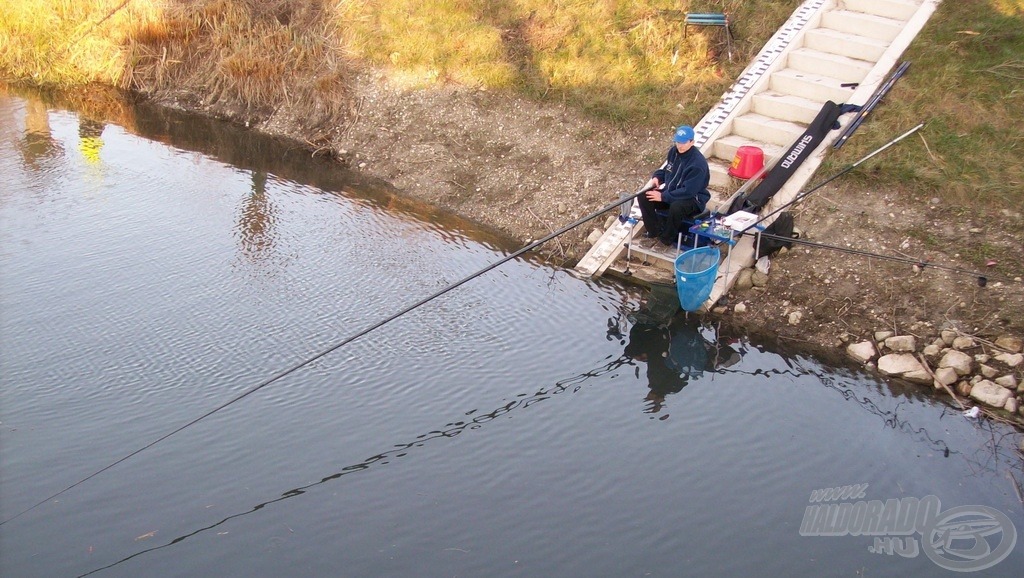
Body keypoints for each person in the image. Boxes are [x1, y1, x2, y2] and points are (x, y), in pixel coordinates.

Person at [638, 124, 711, 246]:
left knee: (676, 207)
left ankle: (666, 239)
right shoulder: (674, 152)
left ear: (692, 142)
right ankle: (654, 231)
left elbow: (689, 191)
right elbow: (668, 169)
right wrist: (658, 177)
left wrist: (663, 197)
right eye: (677, 142)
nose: (680, 146)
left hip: (693, 199)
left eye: (683, 142)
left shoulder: (698, 164)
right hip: (671, 192)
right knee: (643, 197)